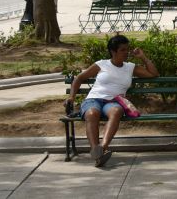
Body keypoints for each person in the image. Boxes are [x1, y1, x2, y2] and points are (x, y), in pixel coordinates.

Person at [66, 35, 159, 167]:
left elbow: (154, 74)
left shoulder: (130, 67)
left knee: (116, 111)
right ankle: (95, 151)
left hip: (113, 102)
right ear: (113, 51)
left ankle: (101, 148)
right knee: (92, 114)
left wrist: (143, 57)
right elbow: (79, 78)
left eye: (128, 49)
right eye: (123, 50)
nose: (127, 52)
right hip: (94, 99)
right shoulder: (101, 64)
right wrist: (72, 97)